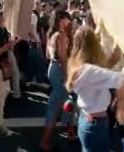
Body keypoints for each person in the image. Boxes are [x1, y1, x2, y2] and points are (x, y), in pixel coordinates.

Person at [66, 26, 124, 152]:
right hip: (96, 125)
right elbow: (121, 80)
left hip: (86, 119)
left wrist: (110, 62)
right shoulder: (90, 71)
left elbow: (96, 77)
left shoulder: (76, 65)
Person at [40, 10, 75, 150]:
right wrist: (68, 77)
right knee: (57, 105)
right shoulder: (61, 36)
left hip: (53, 68)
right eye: (68, 18)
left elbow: (49, 55)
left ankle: (71, 132)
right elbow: (63, 58)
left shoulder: (52, 34)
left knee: (67, 101)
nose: (70, 21)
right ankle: (45, 141)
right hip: (60, 69)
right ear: (61, 19)